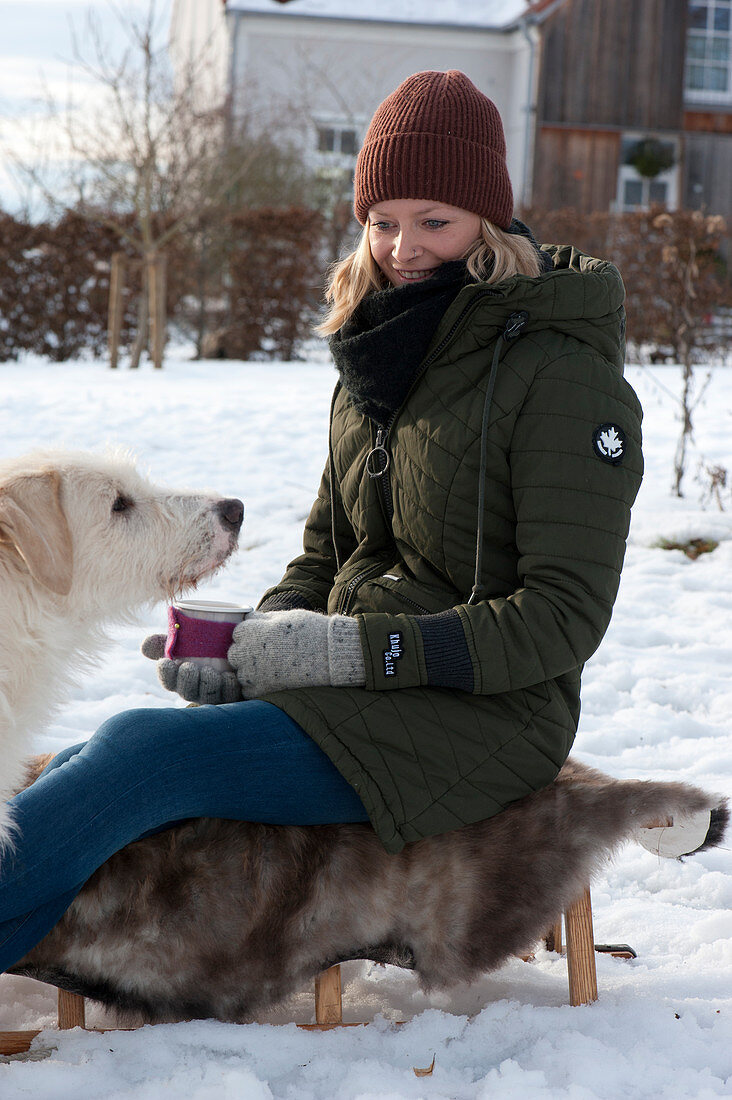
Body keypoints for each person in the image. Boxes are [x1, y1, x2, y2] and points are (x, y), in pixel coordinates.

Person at [0, 70, 642, 971]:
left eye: (435, 221)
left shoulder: (561, 376)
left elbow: (563, 618)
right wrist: (249, 644)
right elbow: (325, 555)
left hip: (482, 722)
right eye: (382, 221)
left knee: (139, 755)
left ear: (489, 221)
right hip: (359, 697)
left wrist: (350, 652)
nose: (403, 247)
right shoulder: (376, 356)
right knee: (87, 759)